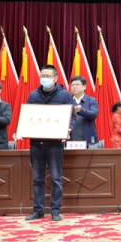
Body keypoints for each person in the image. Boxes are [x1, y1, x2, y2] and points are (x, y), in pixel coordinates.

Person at [24, 65, 76, 222]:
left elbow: (72, 116)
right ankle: (38, 210)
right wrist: (22, 129)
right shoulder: (33, 95)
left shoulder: (65, 95)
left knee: (56, 178)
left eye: (48, 76)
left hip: (55, 144)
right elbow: (27, 116)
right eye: (42, 76)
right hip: (36, 143)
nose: (44, 79)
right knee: (37, 179)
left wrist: (69, 129)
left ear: (55, 78)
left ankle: (55, 210)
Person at [69, 76, 99, 146]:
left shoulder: (91, 100)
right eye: (72, 85)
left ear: (84, 87)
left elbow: (93, 114)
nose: (74, 87)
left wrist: (81, 111)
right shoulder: (67, 100)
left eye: (77, 85)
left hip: (87, 139)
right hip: (70, 138)